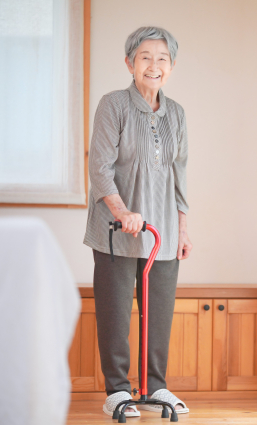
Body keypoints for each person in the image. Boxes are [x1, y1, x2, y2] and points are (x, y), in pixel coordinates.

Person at [83, 26, 192, 418]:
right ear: (130, 63)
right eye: (145, 57)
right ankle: (117, 389)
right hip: (116, 232)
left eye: (162, 58)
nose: (154, 65)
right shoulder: (114, 105)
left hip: (160, 232)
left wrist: (182, 228)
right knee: (114, 312)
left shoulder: (176, 113)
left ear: (172, 67)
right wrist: (121, 211)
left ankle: (156, 386)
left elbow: (180, 174)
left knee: (158, 312)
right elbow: (99, 167)